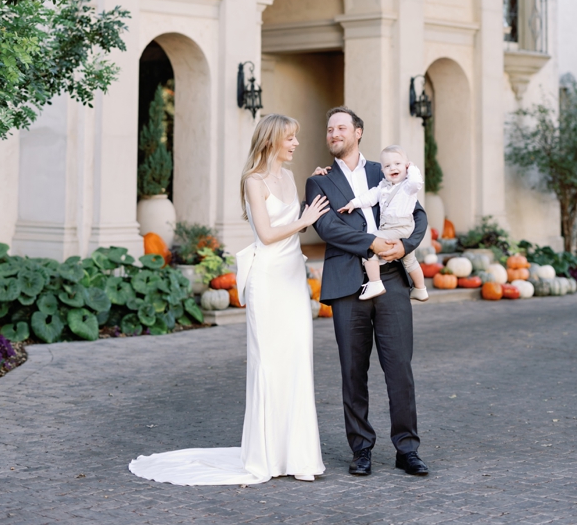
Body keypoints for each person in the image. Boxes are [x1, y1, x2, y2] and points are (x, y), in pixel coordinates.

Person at [130, 115, 329, 485]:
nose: (296, 144)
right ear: (271, 141)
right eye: (290, 138)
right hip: (268, 280)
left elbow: (301, 216)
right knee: (269, 365)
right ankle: (265, 457)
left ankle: (299, 456)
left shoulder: (288, 177)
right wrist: (304, 221)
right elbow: (268, 234)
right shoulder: (253, 181)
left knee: (298, 361)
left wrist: (320, 186)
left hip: (292, 280)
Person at [309, 107, 429, 479]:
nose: (334, 134)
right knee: (352, 370)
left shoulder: (387, 168)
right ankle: (361, 449)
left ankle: (407, 449)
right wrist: (374, 243)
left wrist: (404, 245)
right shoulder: (320, 182)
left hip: (392, 277)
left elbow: (419, 214)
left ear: (358, 132)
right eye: (329, 129)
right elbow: (327, 228)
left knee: (399, 367)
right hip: (348, 282)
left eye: (341, 128)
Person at [345, 148, 430, 303]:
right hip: (395, 229)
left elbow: (416, 182)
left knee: (368, 244)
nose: (393, 168)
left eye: (398, 163)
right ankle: (421, 289)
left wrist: (412, 168)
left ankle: (375, 283)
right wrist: (354, 203)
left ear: (406, 166)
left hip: (399, 227)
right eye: (388, 166)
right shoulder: (383, 187)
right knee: (410, 261)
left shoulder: (407, 187)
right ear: (382, 170)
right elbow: (369, 197)